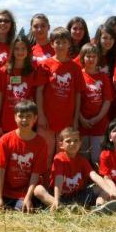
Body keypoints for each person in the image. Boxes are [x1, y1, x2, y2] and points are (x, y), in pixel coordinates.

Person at [33, 127, 116, 214]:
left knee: (104, 187)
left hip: (77, 197)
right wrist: (56, 199)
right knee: (38, 190)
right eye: (68, 141)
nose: (72, 143)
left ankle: (99, 206)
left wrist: (110, 191)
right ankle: (62, 207)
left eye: (75, 141)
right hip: (59, 196)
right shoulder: (59, 158)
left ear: (80, 143)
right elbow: (58, 179)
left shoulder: (82, 160)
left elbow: (94, 176)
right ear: (61, 145)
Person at [36, 27, 84, 165]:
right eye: (57, 42)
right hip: (47, 119)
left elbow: (77, 95)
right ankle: (45, 184)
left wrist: (75, 119)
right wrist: (41, 115)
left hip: (66, 119)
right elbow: (39, 91)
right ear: (52, 44)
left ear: (69, 44)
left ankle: (60, 183)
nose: (61, 46)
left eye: (64, 42)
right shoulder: (45, 65)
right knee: (46, 153)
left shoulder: (75, 68)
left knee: (63, 155)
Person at [0, 100, 48, 212]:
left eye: (28, 116)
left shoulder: (41, 143)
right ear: (14, 117)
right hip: (6, 191)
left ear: (35, 118)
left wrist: (27, 197)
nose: (24, 120)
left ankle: (58, 205)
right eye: (21, 116)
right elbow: (0, 170)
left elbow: (35, 173)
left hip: (27, 192)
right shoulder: (5, 140)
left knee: (25, 207)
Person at [78, 43, 113, 166]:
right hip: (81, 123)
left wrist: (97, 118)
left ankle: (97, 182)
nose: (91, 59)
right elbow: (74, 100)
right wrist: (81, 118)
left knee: (96, 158)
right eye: (88, 56)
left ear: (98, 58)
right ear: (82, 58)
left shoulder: (103, 77)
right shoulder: (79, 75)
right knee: (83, 156)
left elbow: (107, 100)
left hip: (99, 123)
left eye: (94, 56)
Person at [0, 35, 42, 135]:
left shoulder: (33, 72)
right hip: (7, 120)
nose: (20, 52)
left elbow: (36, 96)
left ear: (28, 51)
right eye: (17, 49)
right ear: (12, 51)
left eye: (23, 49)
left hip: (27, 120)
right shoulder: (4, 70)